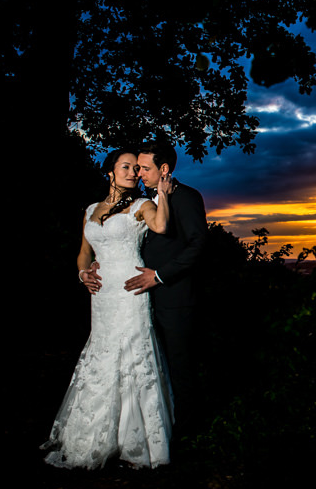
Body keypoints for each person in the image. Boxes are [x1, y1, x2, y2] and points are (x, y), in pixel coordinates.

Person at [42, 149, 174, 469]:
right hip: (101, 296)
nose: (133, 172)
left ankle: (138, 446)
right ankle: (93, 435)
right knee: (102, 357)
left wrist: (162, 193)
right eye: (126, 167)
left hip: (130, 292)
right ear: (110, 172)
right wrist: (82, 274)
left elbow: (160, 227)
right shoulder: (90, 210)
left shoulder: (142, 205)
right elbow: (84, 253)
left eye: (136, 168)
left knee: (134, 357)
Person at [125, 141, 207, 434]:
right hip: (143, 301)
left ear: (164, 169)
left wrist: (159, 276)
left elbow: (198, 245)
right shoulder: (142, 202)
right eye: (137, 168)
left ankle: (187, 433)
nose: (139, 173)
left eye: (145, 168)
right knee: (152, 365)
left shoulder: (187, 197)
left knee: (180, 366)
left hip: (176, 299)